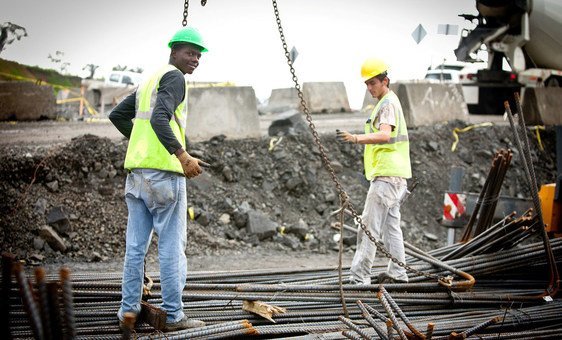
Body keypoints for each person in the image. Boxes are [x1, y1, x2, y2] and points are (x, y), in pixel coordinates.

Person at [109, 27, 209, 331]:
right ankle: (174, 315)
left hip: (137, 173)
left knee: (135, 247)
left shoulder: (149, 80)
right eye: (190, 53)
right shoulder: (175, 78)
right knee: (170, 246)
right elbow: (158, 118)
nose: (195, 59)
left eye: (198, 54)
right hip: (164, 175)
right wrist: (181, 155)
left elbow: (118, 115)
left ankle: (128, 312)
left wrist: (142, 144)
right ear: (174, 51)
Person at [336, 57, 412, 285]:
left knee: (368, 227)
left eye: (373, 83)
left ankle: (360, 278)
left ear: (385, 81)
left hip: (387, 178)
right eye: (367, 84)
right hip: (396, 177)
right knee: (391, 229)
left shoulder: (387, 103)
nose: (369, 88)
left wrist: (356, 138)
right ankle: (399, 273)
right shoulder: (390, 101)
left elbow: (385, 134)